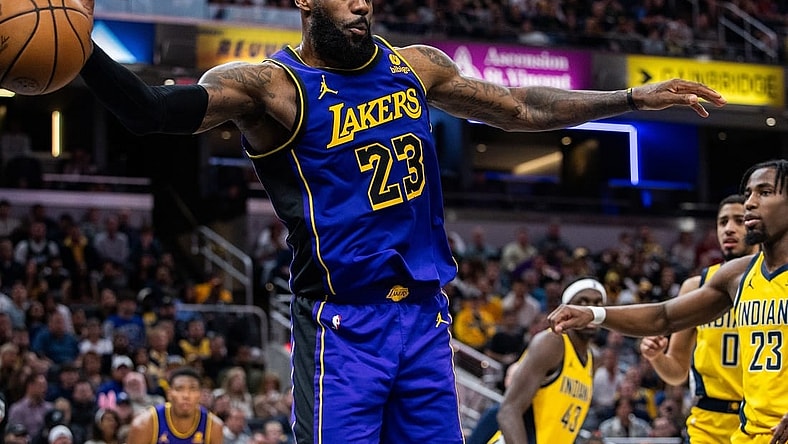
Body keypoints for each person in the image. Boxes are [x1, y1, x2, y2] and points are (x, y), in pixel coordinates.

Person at [74, 0, 725, 441]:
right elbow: (149, 111)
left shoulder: (414, 66)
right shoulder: (270, 87)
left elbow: (521, 108)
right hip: (341, 325)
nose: (362, 5)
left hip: (423, 319)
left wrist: (630, 96)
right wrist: (80, 50)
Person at [549, 159, 788, 444]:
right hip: (743, 431)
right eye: (748, 194)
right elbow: (665, 316)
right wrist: (594, 313)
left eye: (764, 192)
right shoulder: (736, 275)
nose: (750, 202)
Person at [639, 194, 756, 443]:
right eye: (722, 222)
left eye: (739, 220)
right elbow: (677, 372)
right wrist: (656, 357)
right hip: (709, 421)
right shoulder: (696, 287)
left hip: (761, 418)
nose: (729, 229)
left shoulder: (777, 284)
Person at [488, 277, 606, 444]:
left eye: (597, 303)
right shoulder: (552, 343)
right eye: (582, 302)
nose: (590, 309)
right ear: (566, 309)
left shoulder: (593, 360)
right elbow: (508, 411)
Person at [127, 366, 223, 444]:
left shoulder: (213, 426)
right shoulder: (144, 424)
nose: (186, 395)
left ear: (200, 394)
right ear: (169, 393)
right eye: (179, 389)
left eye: (192, 389)